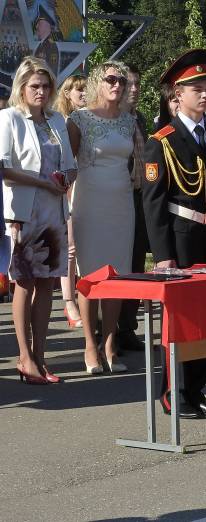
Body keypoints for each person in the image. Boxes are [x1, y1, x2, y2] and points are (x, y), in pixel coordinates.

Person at [142, 49, 206, 420]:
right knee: (180, 320)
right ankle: (172, 392)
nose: (205, 93)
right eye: (196, 87)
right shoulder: (161, 141)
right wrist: (163, 254)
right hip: (180, 236)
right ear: (177, 95)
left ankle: (197, 389)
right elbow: (153, 203)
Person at [0, 56, 76, 384]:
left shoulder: (57, 120)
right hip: (23, 212)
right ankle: (24, 357)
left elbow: (71, 164)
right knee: (24, 281)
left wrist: (65, 179)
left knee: (47, 284)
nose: (41, 91)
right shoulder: (9, 118)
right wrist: (42, 181)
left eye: (46, 86)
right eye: (35, 86)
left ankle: (41, 358)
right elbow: (3, 166)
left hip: (53, 211)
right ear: (22, 87)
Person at [67, 61, 135, 374]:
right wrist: (65, 215)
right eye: (110, 79)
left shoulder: (129, 120)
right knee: (91, 276)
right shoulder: (79, 119)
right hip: (89, 202)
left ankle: (110, 345)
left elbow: (140, 163)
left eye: (121, 80)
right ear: (99, 82)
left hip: (121, 205)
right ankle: (90, 346)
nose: (116, 85)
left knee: (117, 275)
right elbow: (68, 168)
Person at [116, 64, 149, 352]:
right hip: (117, 198)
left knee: (136, 264)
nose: (135, 89)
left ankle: (128, 326)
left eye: (138, 84)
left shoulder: (139, 118)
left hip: (140, 197)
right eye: (130, 84)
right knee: (117, 264)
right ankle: (110, 327)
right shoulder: (112, 119)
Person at [54, 74, 86, 329]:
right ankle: (69, 300)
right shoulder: (62, 121)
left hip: (89, 185)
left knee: (83, 245)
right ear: (67, 93)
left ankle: (84, 295)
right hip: (70, 187)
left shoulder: (87, 118)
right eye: (79, 91)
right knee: (71, 246)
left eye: (87, 90)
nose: (84, 95)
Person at [32, 6, 59, 75]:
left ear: (47, 26)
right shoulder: (41, 45)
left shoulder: (52, 46)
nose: (36, 27)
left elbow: (52, 69)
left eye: (39, 24)